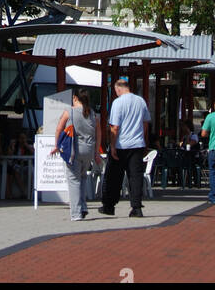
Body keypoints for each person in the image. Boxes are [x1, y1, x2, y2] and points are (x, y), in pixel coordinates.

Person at [98, 77, 151, 218]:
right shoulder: (141, 101)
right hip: (137, 144)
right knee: (135, 177)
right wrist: (144, 140)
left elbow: (114, 127)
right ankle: (136, 207)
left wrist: (113, 146)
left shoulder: (118, 102)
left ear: (118, 88)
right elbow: (145, 123)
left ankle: (109, 206)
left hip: (121, 145)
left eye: (116, 90)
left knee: (113, 177)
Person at [52, 88, 102, 221]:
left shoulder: (70, 112)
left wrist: (56, 145)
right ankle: (83, 207)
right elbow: (99, 133)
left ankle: (76, 213)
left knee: (74, 181)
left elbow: (59, 128)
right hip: (89, 152)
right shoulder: (92, 114)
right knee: (83, 178)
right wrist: (96, 152)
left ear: (75, 98)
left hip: (74, 151)